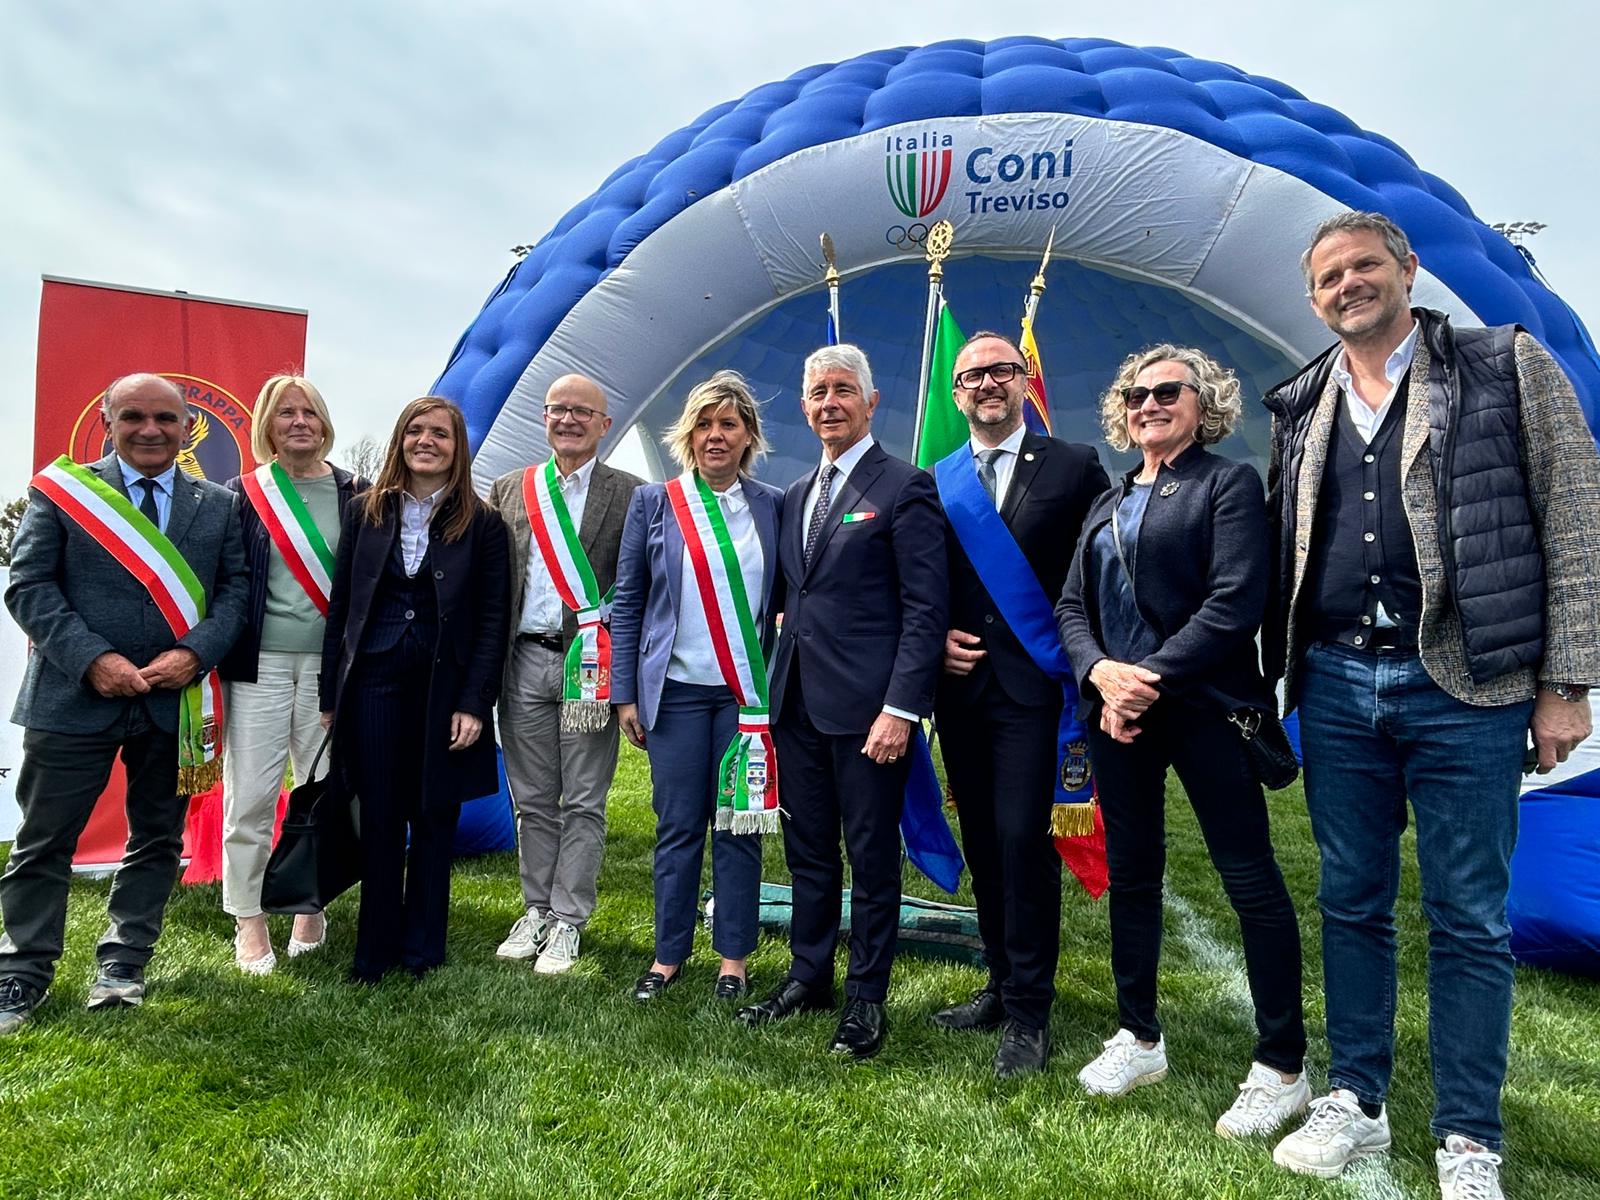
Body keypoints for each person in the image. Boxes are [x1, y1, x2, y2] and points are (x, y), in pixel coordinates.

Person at [1264, 212, 1600, 1199]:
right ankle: (1356, 1098)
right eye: (1329, 276)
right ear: (1313, 298)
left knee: (1467, 918)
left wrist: (1566, 684)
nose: (1347, 285)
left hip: (1470, 684)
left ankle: (1467, 1136)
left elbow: (1575, 520)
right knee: (1350, 901)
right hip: (1336, 683)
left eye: (1363, 266)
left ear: (1407, 269)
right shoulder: (1301, 400)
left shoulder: (1505, 363)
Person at [1055, 345, 1308, 1134]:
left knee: (1249, 879)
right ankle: (1137, 1035)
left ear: (1205, 405)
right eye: (1137, 394)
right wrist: (1101, 674)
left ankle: (1283, 1064)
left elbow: (1234, 601)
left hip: (1206, 710)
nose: (1150, 404)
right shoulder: (1107, 499)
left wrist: (1144, 679)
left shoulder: (1227, 484)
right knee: (1132, 875)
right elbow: (1070, 607)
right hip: (1118, 716)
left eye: (1169, 391)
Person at [0, 374, 248, 1034]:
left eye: (165, 418)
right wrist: (93, 659)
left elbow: (236, 593)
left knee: (157, 838)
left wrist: (195, 653)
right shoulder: (63, 493)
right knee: (43, 840)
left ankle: (123, 963)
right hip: (72, 696)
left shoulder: (220, 505)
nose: (149, 429)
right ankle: (22, 973)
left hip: (174, 702)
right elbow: (29, 588)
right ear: (107, 423)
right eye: (133, 416)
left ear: (187, 425)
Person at [736, 343, 947, 1060]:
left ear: (870, 401)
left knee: (871, 857)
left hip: (868, 716)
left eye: (843, 390)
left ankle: (865, 998)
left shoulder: (906, 486)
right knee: (808, 853)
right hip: (796, 707)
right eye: (819, 392)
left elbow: (925, 609)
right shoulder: (796, 493)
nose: (830, 403)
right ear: (804, 408)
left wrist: (901, 709)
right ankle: (809, 976)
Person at [929, 331, 1108, 1077]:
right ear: (956, 393)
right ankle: (1001, 984)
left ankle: (1031, 1012)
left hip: (1037, 690)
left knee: (1022, 843)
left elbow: (1100, 570)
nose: (986, 384)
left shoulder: (1073, 465)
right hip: (961, 691)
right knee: (983, 843)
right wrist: (936, 635)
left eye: (1001, 371)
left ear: (1022, 379)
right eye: (972, 376)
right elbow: (924, 577)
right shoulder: (938, 477)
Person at [319, 397, 509, 983]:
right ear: (400, 440)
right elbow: (342, 607)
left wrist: (475, 703)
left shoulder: (483, 523)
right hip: (373, 679)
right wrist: (330, 696)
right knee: (379, 813)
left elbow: (492, 621)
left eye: (440, 434)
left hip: (444, 684)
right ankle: (373, 950)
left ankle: (423, 949)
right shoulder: (364, 511)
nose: (427, 441)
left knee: (434, 813)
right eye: (416, 431)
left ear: (458, 448)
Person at [610, 371, 783, 1002]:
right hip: (676, 694)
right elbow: (629, 600)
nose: (716, 435)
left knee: (739, 826)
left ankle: (733, 959)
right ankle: (667, 956)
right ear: (687, 435)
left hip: (746, 700)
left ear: (748, 436)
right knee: (678, 826)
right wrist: (624, 692)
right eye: (704, 424)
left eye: (728, 424)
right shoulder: (655, 502)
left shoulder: (774, 504)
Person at [485, 375, 643, 974]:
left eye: (583, 411)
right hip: (523, 660)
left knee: (583, 799)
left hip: (591, 667)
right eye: (559, 409)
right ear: (544, 417)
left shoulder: (632, 494)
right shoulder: (510, 489)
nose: (569, 419)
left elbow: (639, 587)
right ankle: (536, 910)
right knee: (532, 800)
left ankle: (569, 919)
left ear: (605, 424)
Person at [219, 375, 366, 974]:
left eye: (310, 412)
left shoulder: (359, 493)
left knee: (323, 789)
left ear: (324, 423)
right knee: (251, 795)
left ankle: (311, 903)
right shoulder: (241, 494)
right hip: (258, 666)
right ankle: (248, 918)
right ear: (267, 426)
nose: (299, 422)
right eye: (285, 413)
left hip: (333, 668)